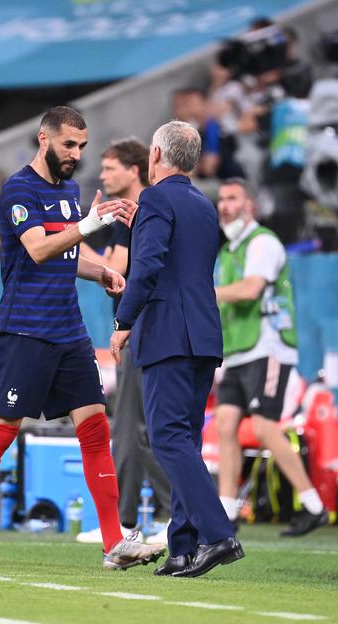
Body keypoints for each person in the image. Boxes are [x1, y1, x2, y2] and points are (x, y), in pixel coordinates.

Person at [0, 106, 165, 571]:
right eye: (69, 145)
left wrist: (97, 269)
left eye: (82, 146)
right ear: (44, 139)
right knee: (1, 433)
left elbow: (64, 254)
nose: (76, 154)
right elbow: (39, 248)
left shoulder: (70, 190)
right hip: (25, 330)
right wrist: (90, 225)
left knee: (96, 428)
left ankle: (112, 543)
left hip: (67, 330)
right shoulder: (19, 188)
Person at [110, 121, 242, 579]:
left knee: (166, 437)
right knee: (184, 440)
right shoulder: (203, 204)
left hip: (168, 334)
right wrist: (140, 224)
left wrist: (123, 321)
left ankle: (217, 535)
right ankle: (182, 549)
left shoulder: (154, 199)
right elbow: (183, 257)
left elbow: (147, 267)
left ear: (155, 154)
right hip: (204, 335)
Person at [212, 178, 327, 536]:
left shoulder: (261, 242)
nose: (225, 206)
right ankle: (226, 512)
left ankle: (314, 505)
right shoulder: (230, 250)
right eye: (222, 200)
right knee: (226, 425)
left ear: (252, 206)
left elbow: (250, 290)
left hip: (268, 346)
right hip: (239, 348)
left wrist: (202, 293)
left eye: (233, 199)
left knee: (263, 426)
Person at [75, 138, 172, 547]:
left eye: (111, 168)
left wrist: (62, 235)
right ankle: (128, 519)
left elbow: (113, 269)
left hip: (146, 326)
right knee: (133, 427)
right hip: (140, 326)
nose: (103, 175)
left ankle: (169, 513)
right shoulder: (127, 219)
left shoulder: (145, 212)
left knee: (141, 427)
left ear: (135, 171)